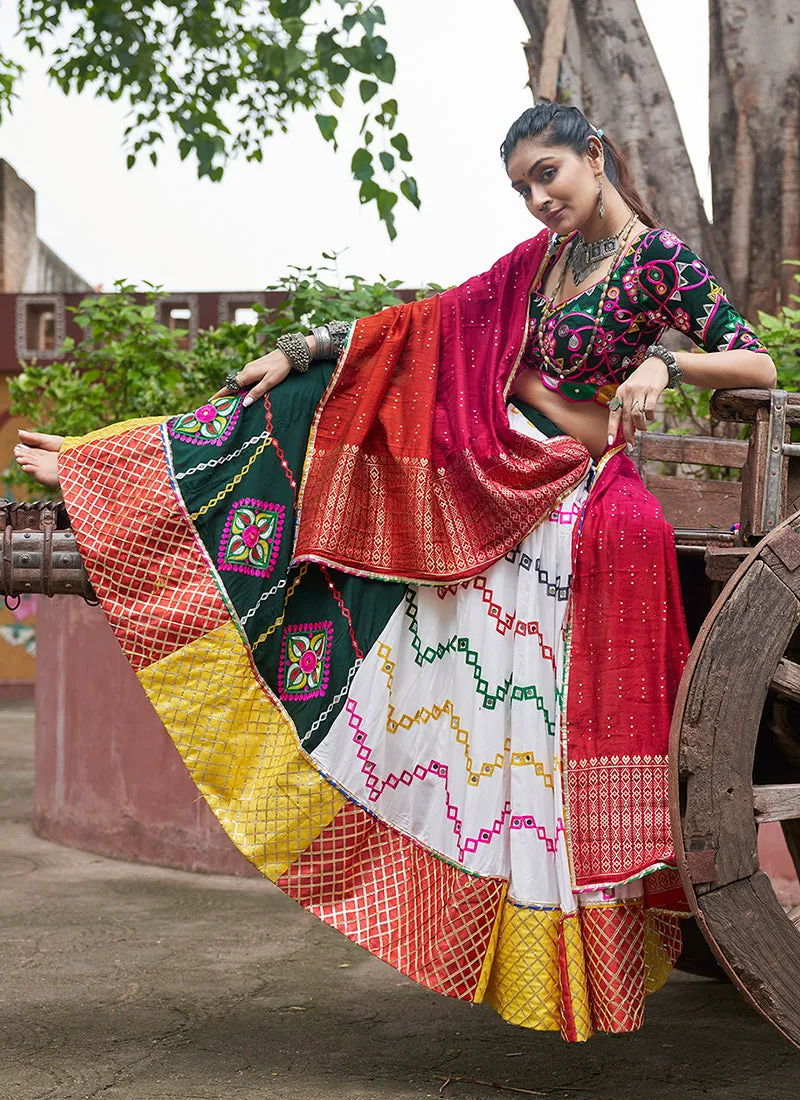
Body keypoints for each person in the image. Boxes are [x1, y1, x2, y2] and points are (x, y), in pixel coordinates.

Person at [15, 102, 776, 1042]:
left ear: (594, 154)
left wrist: (668, 361)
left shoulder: (660, 261)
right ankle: (116, 472)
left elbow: (758, 360)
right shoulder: (540, 263)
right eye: (522, 188)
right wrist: (302, 347)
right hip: (504, 459)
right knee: (318, 399)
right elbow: (424, 323)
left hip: (576, 483)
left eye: (550, 175)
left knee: (414, 544)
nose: (540, 200)